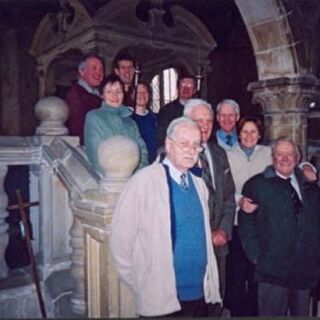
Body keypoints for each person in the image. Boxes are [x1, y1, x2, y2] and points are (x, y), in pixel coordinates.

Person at [110, 117, 221, 317]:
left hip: (199, 295)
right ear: (169, 145)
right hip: (161, 299)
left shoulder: (199, 184)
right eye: (184, 144)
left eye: (196, 145)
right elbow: (120, 242)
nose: (191, 150)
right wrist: (144, 283)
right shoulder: (143, 182)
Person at [238, 137, 320, 316]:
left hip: (304, 269)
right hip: (271, 271)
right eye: (280, 154)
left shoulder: (311, 187)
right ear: (272, 157)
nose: (285, 158)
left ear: (297, 158)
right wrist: (256, 256)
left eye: (290, 154)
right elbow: (246, 223)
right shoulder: (256, 185)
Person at [183, 99, 236, 314]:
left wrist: (223, 229)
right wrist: (205, 234)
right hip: (190, 248)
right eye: (198, 121)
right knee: (190, 306)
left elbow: (229, 197)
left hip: (218, 244)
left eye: (208, 121)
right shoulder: (170, 154)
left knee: (215, 303)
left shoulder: (218, 153)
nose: (204, 126)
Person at [225, 116, 271, 316]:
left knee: (256, 273)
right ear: (238, 133)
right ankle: (236, 312)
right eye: (245, 131)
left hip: (262, 225)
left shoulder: (269, 153)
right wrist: (239, 200)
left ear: (260, 134)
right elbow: (222, 188)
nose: (249, 136)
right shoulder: (227, 155)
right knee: (236, 272)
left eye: (253, 131)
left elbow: (291, 164)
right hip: (236, 223)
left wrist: (309, 168)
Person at [84, 74, 148, 177]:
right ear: (102, 95)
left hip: (132, 180)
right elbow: (94, 153)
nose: (115, 96)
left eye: (118, 92)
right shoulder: (94, 117)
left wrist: (136, 177)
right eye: (109, 92)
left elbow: (142, 151)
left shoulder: (130, 122)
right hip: (108, 180)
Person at [65, 53, 105, 145]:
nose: (99, 73)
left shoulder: (98, 94)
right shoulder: (75, 95)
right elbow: (77, 129)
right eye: (94, 68)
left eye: (101, 69)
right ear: (82, 71)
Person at [157, 74, 197, 149]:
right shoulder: (166, 110)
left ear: (194, 90)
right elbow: (161, 137)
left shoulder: (199, 109)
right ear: (178, 88)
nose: (186, 89)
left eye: (189, 86)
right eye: (183, 85)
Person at [131, 81, 158, 163]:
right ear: (132, 95)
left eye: (144, 92)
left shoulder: (154, 118)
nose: (142, 95)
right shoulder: (128, 118)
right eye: (138, 92)